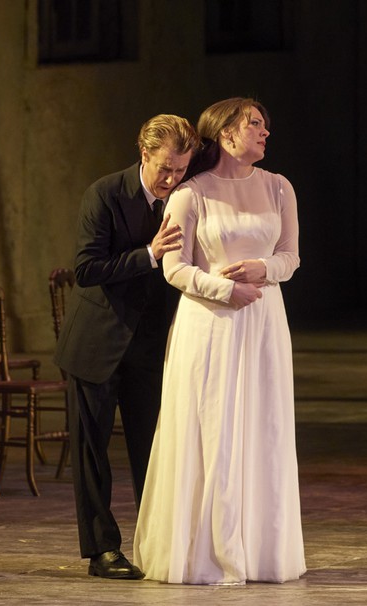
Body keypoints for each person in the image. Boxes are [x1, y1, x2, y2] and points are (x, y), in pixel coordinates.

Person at [133, 97, 306, 584]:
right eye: (255, 123)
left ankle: (259, 551)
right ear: (227, 132)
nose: (265, 132)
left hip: (264, 322)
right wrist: (227, 289)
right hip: (210, 323)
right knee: (212, 430)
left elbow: (291, 257)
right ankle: (207, 552)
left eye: (265, 125)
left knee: (262, 427)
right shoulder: (191, 194)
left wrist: (262, 268)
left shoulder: (278, 187)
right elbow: (174, 267)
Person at [54, 114, 200, 580]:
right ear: (144, 154)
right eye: (165, 168)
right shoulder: (105, 193)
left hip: (149, 347)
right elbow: (86, 269)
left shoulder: (187, 196)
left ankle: (158, 543)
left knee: (152, 449)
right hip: (96, 342)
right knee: (92, 452)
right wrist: (150, 255)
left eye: (181, 169)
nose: (172, 179)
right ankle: (102, 551)